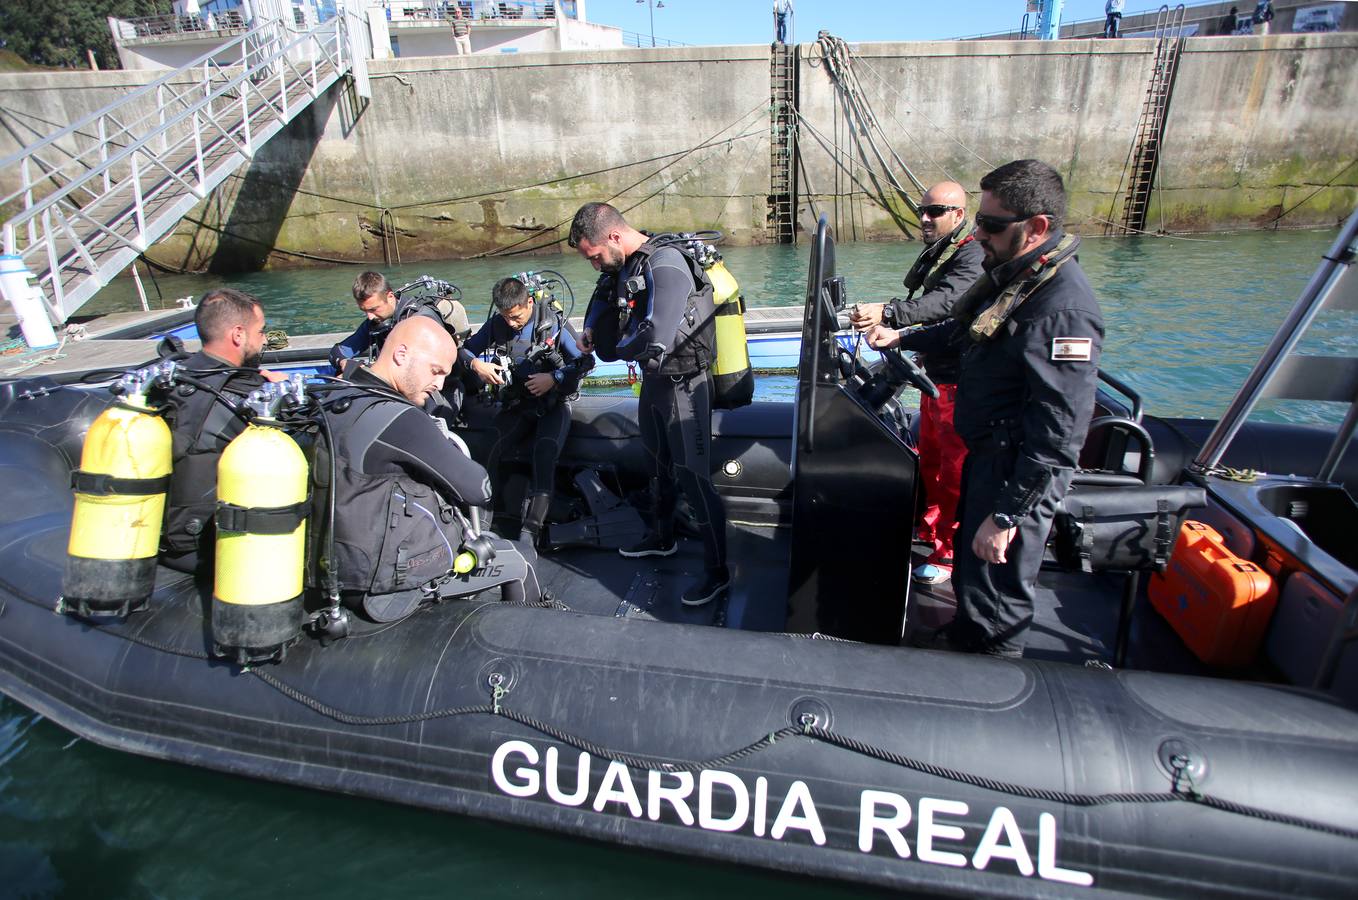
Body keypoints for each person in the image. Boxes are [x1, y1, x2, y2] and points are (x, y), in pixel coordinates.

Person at [867, 160, 1104, 657]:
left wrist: (1007, 514)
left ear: (1037, 227)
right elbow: (963, 329)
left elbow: (1059, 435)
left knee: (998, 598)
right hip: (986, 457)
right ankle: (964, 638)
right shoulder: (1015, 279)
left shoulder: (1061, 309)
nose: (979, 234)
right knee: (975, 581)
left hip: (1013, 474)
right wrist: (904, 336)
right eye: (978, 220)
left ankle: (990, 679)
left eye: (991, 225)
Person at [568, 202, 729, 608]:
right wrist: (590, 329)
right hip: (655, 384)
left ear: (614, 237)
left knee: (693, 477)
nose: (595, 265)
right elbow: (602, 296)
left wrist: (616, 350)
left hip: (684, 385)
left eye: (594, 256)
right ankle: (662, 538)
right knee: (656, 464)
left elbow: (657, 333)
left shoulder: (667, 262)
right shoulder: (623, 265)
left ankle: (718, 572)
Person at [325, 316, 542, 616]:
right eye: (435, 370)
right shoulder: (398, 418)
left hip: (336, 568)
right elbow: (478, 488)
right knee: (521, 559)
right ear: (401, 355)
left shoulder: (337, 396)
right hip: (383, 581)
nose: (439, 384)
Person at [849, 181, 984, 586]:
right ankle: (930, 529)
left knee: (953, 474)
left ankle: (948, 554)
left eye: (936, 211)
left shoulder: (972, 255)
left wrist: (890, 315)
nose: (926, 218)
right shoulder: (947, 251)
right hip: (935, 378)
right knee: (930, 462)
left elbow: (947, 304)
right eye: (922, 211)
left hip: (958, 385)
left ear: (959, 215)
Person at [160, 288, 285, 575]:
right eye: (260, 331)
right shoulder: (249, 395)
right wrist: (282, 391)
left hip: (157, 535)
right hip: (208, 548)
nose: (263, 339)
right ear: (238, 335)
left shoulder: (172, 378)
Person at [463, 276, 593, 546]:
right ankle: (483, 523)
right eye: (506, 317)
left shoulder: (553, 324)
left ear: (529, 303)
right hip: (519, 404)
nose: (511, 323)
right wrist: (477, 364)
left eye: (516, 316)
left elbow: (585, 361)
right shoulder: (497, 325)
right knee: (488, 448)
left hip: (553, 404)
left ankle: (530, 533)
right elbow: (463, 350)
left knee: (543, 455)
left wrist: (554, 379)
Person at [329, 270, 477, 419]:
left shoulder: (421, 319)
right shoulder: (375, 323)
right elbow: (338, 351)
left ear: (390, 296)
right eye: (364, 311)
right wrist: (345, 362)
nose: (370, 316)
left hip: (438, 389)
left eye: (373, 309)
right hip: (399, 388)